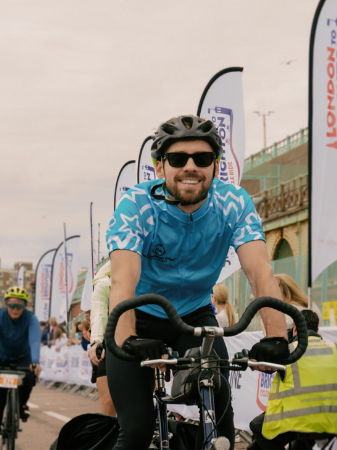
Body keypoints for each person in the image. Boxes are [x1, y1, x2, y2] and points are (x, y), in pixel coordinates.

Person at [105, 115, 288, 449]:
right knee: (135, 431)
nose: (191, 166)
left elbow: (261, 273)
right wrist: (128, 337)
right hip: (138, 318)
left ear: (215, 166)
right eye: (178, 159)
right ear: (160, 167)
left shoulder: (233, 203)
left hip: (193, 316)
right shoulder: (136, 204)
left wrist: (276, 337)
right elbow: (122, 282)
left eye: (202, 159)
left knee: (221, 422)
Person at [248, 310, 337, 450]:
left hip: (296, 419)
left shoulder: (290, 350)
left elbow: (264, 366)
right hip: (330, 419)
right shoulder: (334, 348)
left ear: (295, 328)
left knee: (257, 428)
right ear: (317, 329)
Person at [0, 287, 41, 450]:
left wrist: (35, 361)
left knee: (29, 377)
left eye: (19, 306)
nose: (15, 309)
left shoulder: (31, 319)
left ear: (25, 306)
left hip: (23, 358)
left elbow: (35, 341)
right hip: (0, 359)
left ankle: (22, 404)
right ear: (6, 304)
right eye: (11, 305)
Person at [87, 259, 115, 416]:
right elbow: (98, 313)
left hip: (140, 340)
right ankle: (108, 439)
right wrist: (96, 341)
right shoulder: (105, 283)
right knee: (108, 401)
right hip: (109, 342)